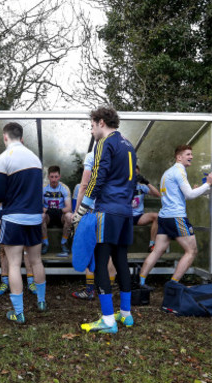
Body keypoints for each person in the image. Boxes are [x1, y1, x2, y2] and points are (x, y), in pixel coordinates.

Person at [73, 106, 136, 334]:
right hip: (125, 212)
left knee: (100, 263)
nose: (91, 131)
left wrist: (82, 209)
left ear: (101, 122)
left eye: (91, 125)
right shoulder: (128, 145)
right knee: (121, 260)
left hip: (107, 210)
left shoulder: (104, 143)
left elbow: (97, 178)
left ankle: (108, 320)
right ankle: (126, 315)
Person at [138, 144, 212, 286]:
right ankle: (173, 285)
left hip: (164, 218)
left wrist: (198, 190)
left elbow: (179, 196)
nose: (191, 157)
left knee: (157, 251)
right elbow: (190, 195)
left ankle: (141, 282)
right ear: (179, 157)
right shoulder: (179, 171)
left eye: (191, 154)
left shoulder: (168, 172)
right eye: (188, 154)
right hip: (176, 217)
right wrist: (208, 184)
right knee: (191, 251)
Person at [0, 122, 47, 323]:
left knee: (14, 264)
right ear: (22, 138)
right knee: (36, 261)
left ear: (5, 137)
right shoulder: (35, 159)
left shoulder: (3, 159)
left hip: (13, 217)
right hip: (34, 217)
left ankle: (19, 312)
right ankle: (41, 302)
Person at [71, 154, 117, 301]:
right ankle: (108, 290)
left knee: (89, 250)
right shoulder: (120, 153)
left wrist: (77, 211)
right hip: (113, 212)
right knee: (109, 253)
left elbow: (84, 186)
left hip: (92, 213)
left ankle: (90, 290)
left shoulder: (92, 155)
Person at [41, 165, 73, 257]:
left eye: (56, 177)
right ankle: (45, 243)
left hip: (60, 216)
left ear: (59, 176)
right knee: (40, 216)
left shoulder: (64, 188)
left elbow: (69, 208)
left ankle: (64, 243)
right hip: (48, 217)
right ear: (48, 177)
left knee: (69, 216)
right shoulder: (43, 188)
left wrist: (58, 210)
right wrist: (48, 210)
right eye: (52, 177)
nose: (54, 179)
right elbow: (38, 206)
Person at [132, 165, 160, 252]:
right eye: (132, 174)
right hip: (125, 217)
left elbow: (157, 194)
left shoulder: (141, 187)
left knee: (157, 216)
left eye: (136, 174)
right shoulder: (122, 185)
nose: (134, 176)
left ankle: (152, 244)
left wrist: (146, 182)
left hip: (138, 217)